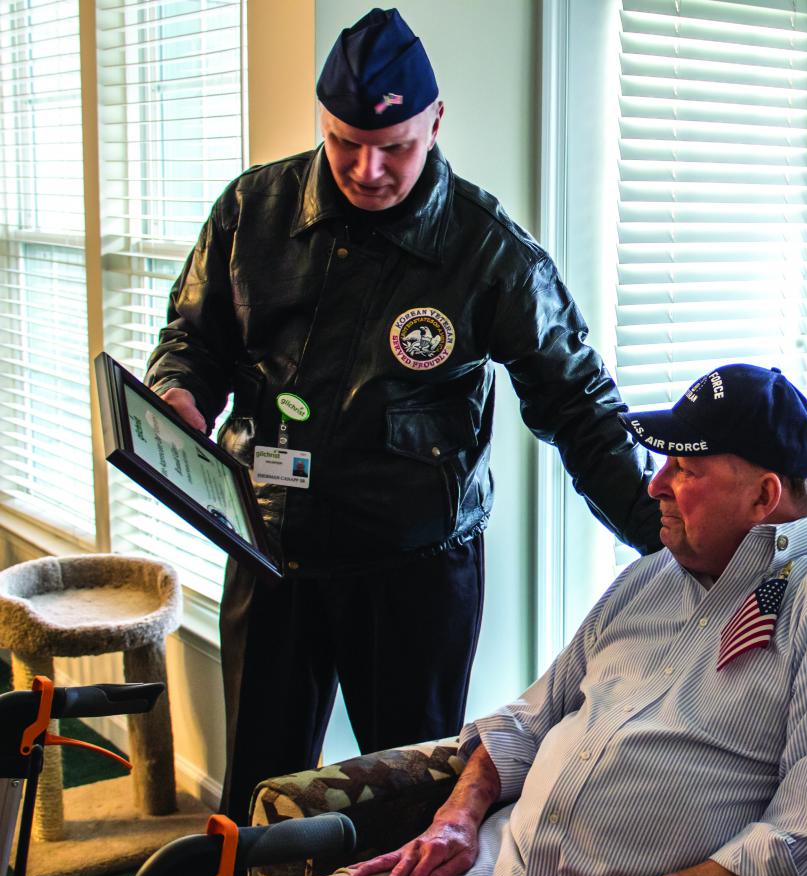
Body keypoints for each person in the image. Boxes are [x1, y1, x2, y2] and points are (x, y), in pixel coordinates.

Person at [143, 7, 662, 821]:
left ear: (436, 121)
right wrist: (179, 390)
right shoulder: (252, 210)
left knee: (406, 794)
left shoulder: (488, 250)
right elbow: (193, 338)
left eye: (395, 147)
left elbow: (578, 400)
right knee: (259, 787)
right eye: (345, 142)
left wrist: (658, 525)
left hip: (413, 571)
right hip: (270, 543)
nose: (367, 168)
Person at [247, 363, 807, 876]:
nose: (654, 486)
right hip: (481, 870)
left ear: (764, 498)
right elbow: (526, 723)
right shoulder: (647, 580)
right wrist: (456, 817)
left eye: (685, 470)